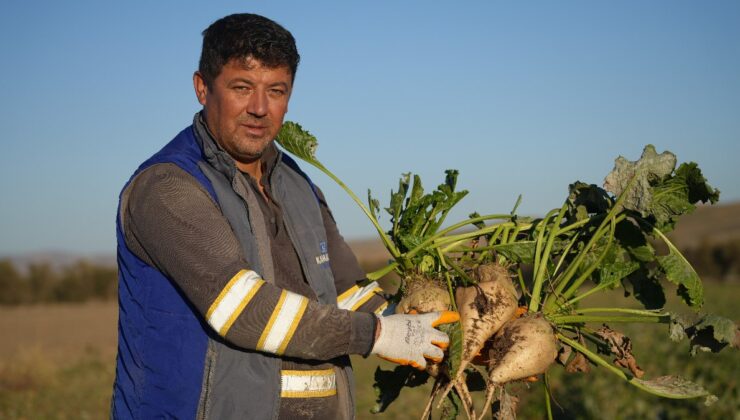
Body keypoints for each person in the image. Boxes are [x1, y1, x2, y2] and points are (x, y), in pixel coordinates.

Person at [110, 13, 458, 419]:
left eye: (276, 91)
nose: (260, 108)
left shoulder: (298, 184)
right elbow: (242, 310)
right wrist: (378, 335)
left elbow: (347, 291)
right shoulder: (168, 188)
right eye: (242, 88)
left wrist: (437, 329)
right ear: (202, 88)